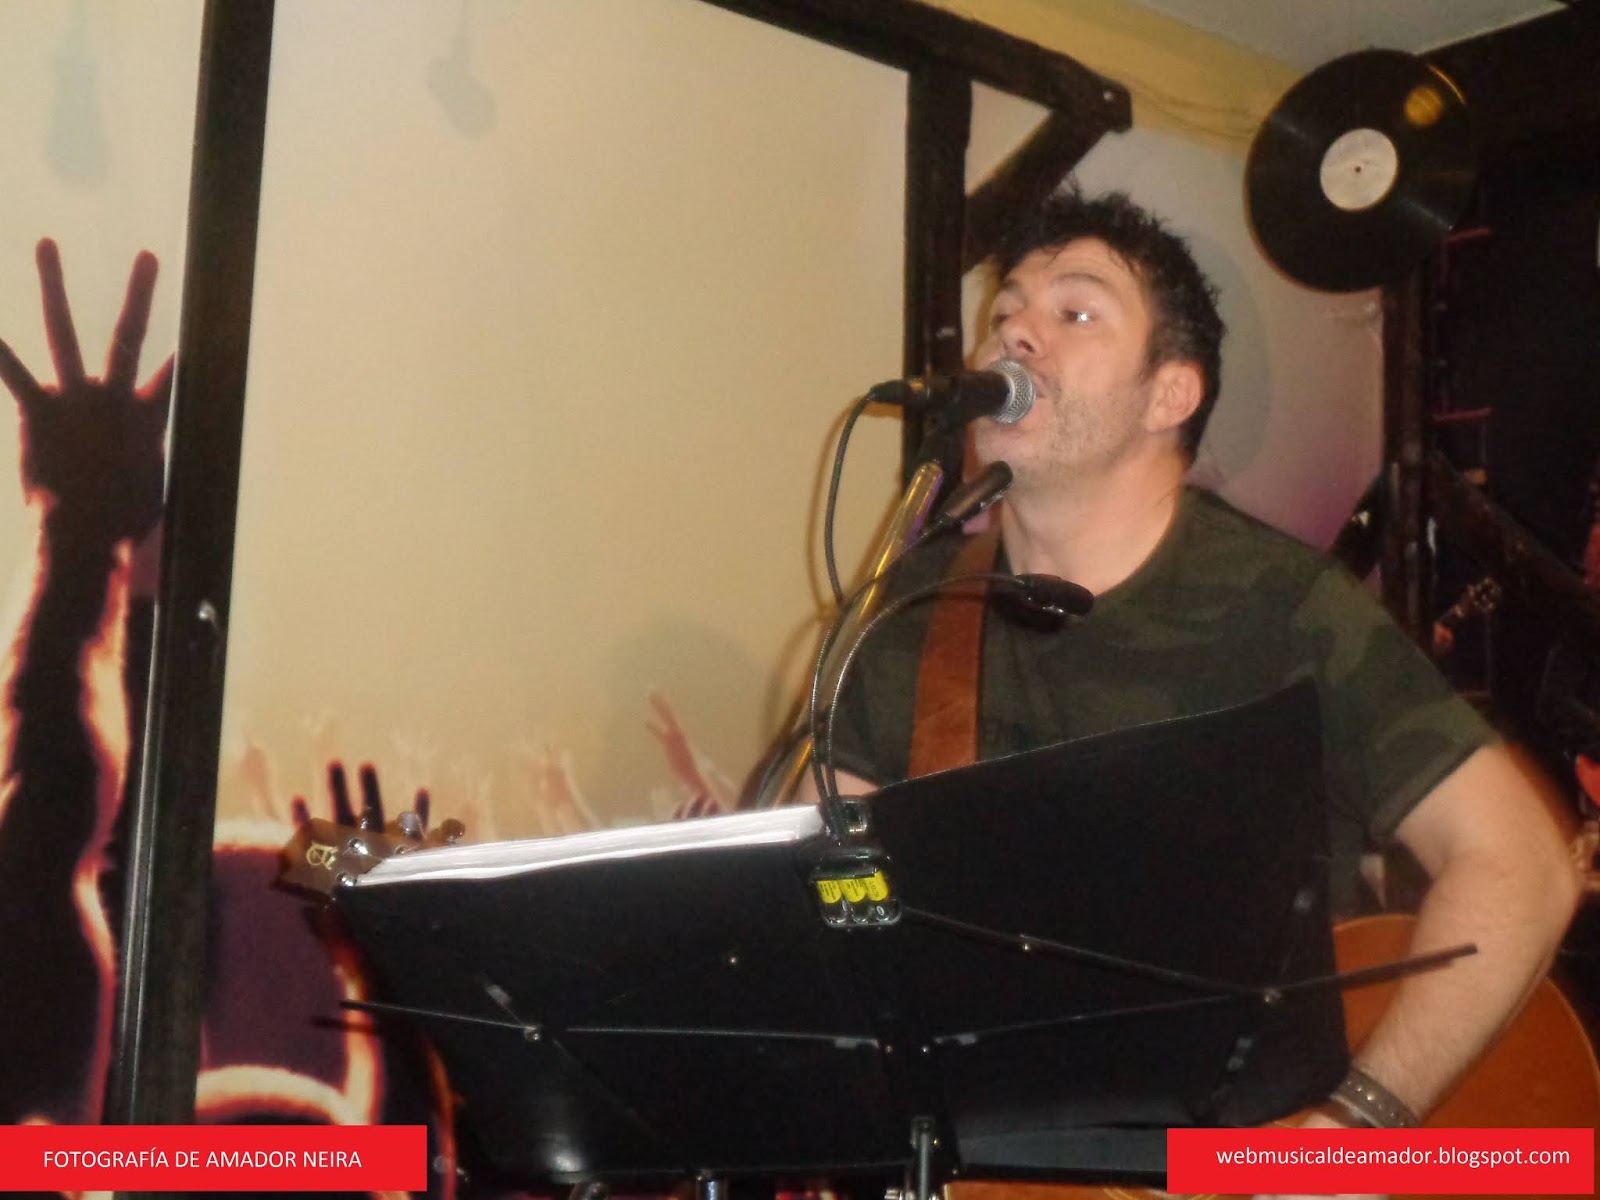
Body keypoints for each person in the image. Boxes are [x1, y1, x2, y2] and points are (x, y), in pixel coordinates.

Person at [811, 188, 1581, 1137]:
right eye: (1006, 311)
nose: (1014, 333)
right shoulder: (906, 616)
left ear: (1170, 394)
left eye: (1076, 311)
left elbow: (1522, 866)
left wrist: (1356, 1128)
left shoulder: (1284, 607)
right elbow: (824, 907)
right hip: (1005, 1153)